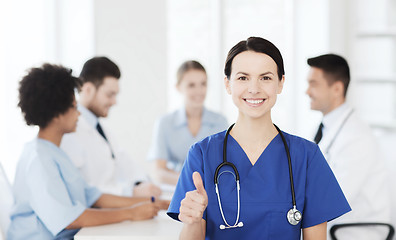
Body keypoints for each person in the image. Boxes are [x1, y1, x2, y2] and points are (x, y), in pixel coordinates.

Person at [167, 37, 351, 239]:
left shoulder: (307, 157)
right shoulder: (201, 154)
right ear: (228, 84)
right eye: (243, 78)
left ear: (280, 83)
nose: (254, 89)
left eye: (265, 78)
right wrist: (193, 220)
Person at [7, 64, 169, 240]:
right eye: (74, 108)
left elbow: (95, 197)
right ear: (56, 114)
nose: (79, 114)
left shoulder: (55, 153)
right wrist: (131, 213)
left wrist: (154, 203)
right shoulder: (38, 158)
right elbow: (69, 219)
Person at [306, 54, 391, 238]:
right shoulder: (326, 128)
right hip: (333, 229)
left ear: (336, 88)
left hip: (353, 233)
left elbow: (332, 200)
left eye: (314, 84)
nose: (307, 91)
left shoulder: (356, 138)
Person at [61, 57, 161, 198]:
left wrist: (140, 183)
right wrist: (130, 192)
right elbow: (80, 189)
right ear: (88, 89)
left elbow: (124, 163)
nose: (114, 102)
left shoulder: (102, 130)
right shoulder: (69, 132)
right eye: (110, 95)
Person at [147, 60, 228, 185]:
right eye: (191, 85)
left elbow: (225, 164)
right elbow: (158, 171)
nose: (199, 91)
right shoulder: (165, 123)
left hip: (212, 190)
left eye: (203, 84)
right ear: (178, 87)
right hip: (176, 189)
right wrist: (190, 181)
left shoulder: (220, 122)